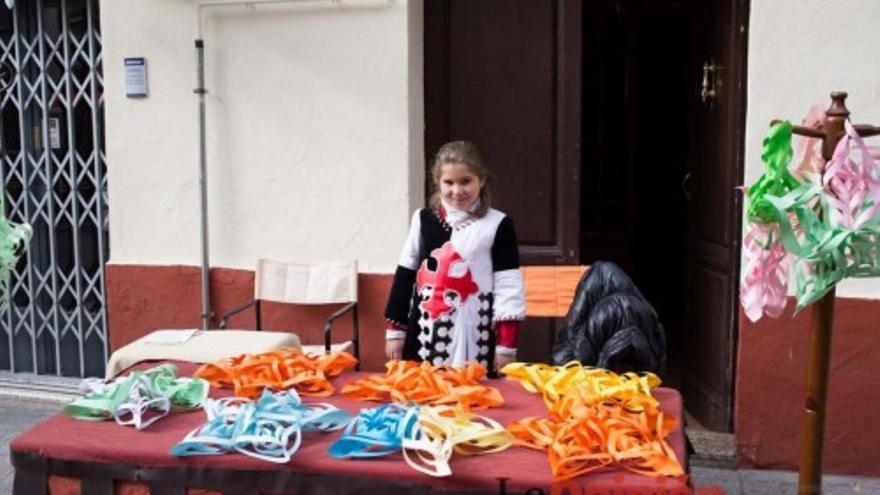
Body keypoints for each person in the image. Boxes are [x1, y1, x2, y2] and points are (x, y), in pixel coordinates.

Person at [383, 140, 525, 373]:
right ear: (437, 182)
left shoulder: (498, 224)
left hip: (474, 332)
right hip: (424, 332)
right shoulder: (423, 219)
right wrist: (395, 332)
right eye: (448, 182)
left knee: (474, 397)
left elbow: (508, 285)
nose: (456, 191)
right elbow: (405, 274)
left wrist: (505, 346)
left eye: (465, 181)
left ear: (482, 180)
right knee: (423, 396)